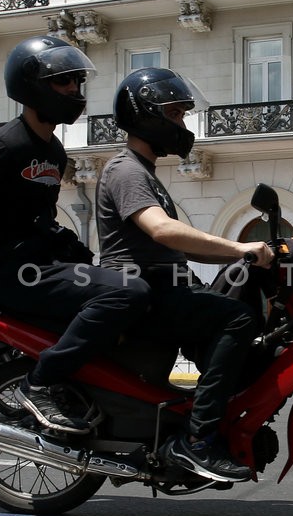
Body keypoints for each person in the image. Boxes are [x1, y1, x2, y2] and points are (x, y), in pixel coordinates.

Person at [0, 35, 151, 433]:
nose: (75, 91)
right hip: (14, 273)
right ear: (32, 85)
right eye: (64, 82)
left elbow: (39, 220)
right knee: (128, 292)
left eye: (78, 82)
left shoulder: (54, 152)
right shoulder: (2, 146)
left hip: (46, 264)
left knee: (140, 286)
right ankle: (39, 384)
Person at [96, 67, 274, 482]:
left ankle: (208, 418)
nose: (181, 125)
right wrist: (239, 247)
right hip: (141, 292)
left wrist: (242, 257)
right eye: (175, 115)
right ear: (147, 116)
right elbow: (162, 230)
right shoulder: (127, 171)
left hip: (164, 284)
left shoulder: (146, 173)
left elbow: (180, 245)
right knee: (237, 318)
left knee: (234, 310)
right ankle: (197, 443)